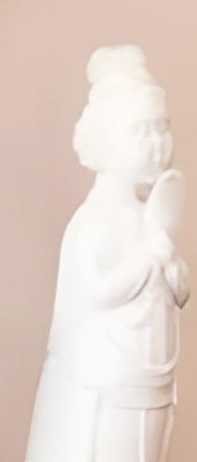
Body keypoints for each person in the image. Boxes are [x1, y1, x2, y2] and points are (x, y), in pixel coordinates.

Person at [25, 46, 187, 462]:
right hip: (111, 384)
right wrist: (152, 255)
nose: (157, 144)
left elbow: (179, 292)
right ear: (106, 141)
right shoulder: (96, 219)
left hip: (152, 378)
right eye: (141, 131)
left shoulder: (147, 215)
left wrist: (170, 262)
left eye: (162, 128)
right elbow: (99, 289)